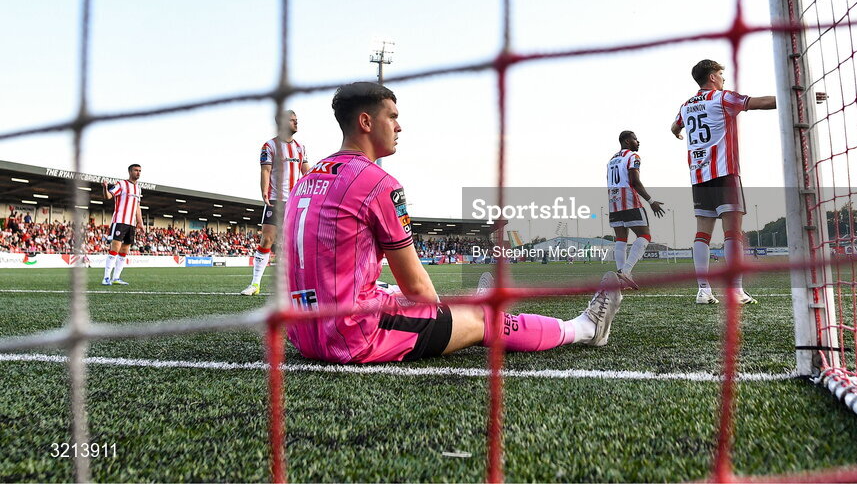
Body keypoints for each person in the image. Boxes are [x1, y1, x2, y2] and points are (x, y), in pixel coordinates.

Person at [284, 81, 622, 364]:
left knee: (395, 293)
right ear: (366, 122)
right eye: (392, 117)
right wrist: (451, 316)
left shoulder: (306, 178)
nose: (399, 127)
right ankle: (585, 329)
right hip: (349, 335)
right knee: (479, 319)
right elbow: (419, 289)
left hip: (303, 332)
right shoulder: (376, 182)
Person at [671, 60, 776, 305]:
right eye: (720, 74)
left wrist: (678, 132)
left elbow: (674, 125)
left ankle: (703, 291)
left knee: (702, 234)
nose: (723, 78)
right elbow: (760, 103)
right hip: (725, 173)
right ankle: (735, 291)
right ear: (711, 77)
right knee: (733, 232)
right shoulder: (722, 98)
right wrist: (796, 96)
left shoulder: (686, 106)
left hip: (698, 175)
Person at [241, 109, 310, 296]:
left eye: (297, 120)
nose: (297, 123)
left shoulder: (300, 147)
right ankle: (255, 284)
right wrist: (264, 190)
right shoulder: (269, 146)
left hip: (296, 201)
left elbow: (307, 173)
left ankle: (295, 287)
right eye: (293, 120)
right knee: (267, 238)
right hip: (276, 199)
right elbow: (265, 170)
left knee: (295, 243)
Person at [606, 130, 665, 288]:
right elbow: (634, 181)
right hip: (629, 201)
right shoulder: (633, 157)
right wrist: (651, 201)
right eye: (635, 139)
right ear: (627, 141)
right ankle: (625, 271)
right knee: (644, 235)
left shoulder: (611, 160)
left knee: (621, 238)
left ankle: (621, 278)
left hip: (613, 201)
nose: (638, 142)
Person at [101, 163, 144, 286]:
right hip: (120, 221)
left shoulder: (138, 188)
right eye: (136, 170)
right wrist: (105, 187)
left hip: (131, 224)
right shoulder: (121, 184)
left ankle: (116, 277)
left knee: (124, 250)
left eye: (140, 170)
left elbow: (137, 207)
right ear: (130, 171)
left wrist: (140, 223)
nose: (138, 172)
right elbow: (108, 196)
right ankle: (106, 278)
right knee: (115, 249)